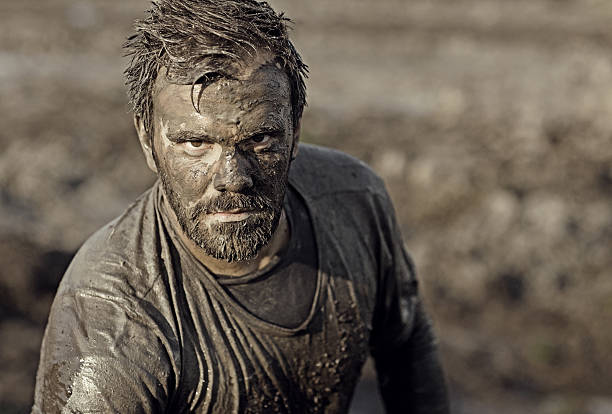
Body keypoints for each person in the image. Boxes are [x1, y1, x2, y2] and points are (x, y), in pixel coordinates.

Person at [32, 1, 450, 413]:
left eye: (260, 139)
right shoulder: (113, 316)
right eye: (196, 143)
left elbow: (407, 341)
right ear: (148, 141)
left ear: (295, 129)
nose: (233, 177)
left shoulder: (353, 200)